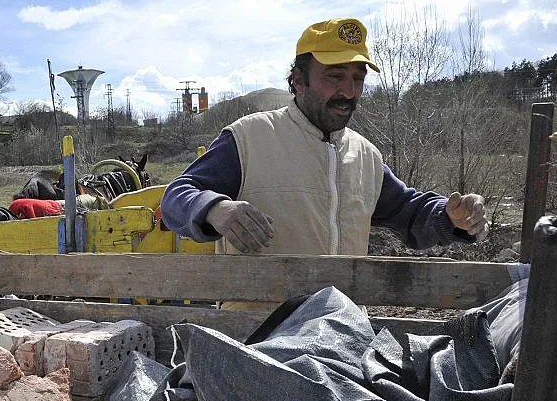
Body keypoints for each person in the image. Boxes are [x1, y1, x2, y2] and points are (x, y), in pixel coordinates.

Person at [160, 17, 489, 271]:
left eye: (357, 79)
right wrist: (215, 208)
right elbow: (176, 196)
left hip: (342, 338)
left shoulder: (366, 157)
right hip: (259, 339)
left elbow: (407, 210)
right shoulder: (250, 139)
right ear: (298, 81)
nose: (348, 91)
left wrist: (450, 217)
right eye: (335, 76)